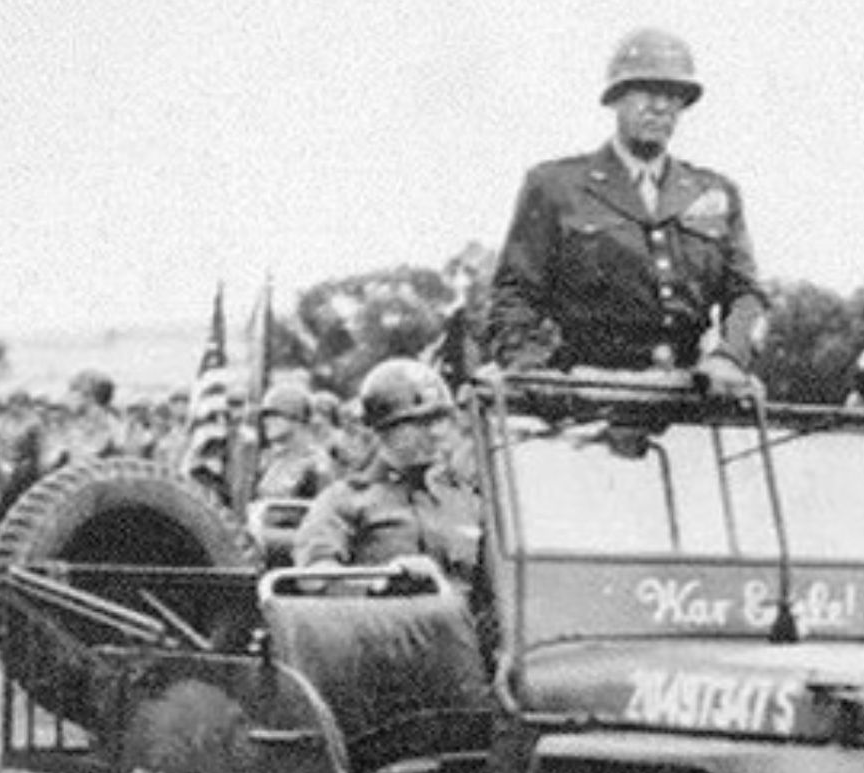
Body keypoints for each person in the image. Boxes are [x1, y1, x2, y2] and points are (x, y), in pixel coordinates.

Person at [486, 28, 763, 397]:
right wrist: (533, 373)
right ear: (616, 99)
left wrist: (730, 357)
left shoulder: (714, 193)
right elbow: (515, 295)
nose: (660, 107)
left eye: (673, 95)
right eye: (646, 92)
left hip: (689, 399)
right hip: (585, 397)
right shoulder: (556, 187)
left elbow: (747, 295)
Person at [292, 359, 482, 585]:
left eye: (441, 420)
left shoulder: (466, 500)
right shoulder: (345, 501)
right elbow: (315, 576)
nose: (436, 432)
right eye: (421, 423)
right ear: (385, 429)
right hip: (385, 618)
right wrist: (381, 581)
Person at [254, 384, 337, 500]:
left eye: (273, 414)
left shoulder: (317, 465)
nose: (266, 421)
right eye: (265, 416)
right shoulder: (275, 460)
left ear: (296, 417)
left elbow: (323, 512)